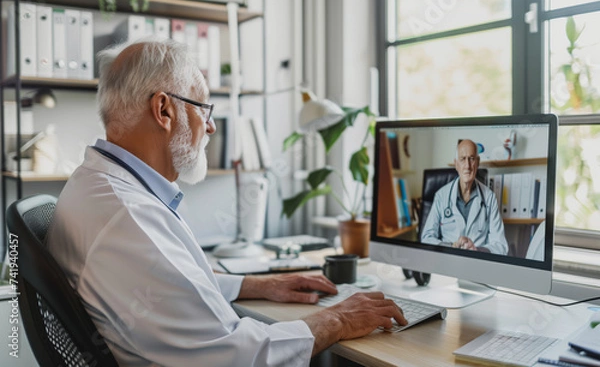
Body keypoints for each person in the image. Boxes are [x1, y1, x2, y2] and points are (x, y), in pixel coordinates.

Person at [46, 38, 407, 367]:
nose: (211, 127)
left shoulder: (99, 186)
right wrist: (338, 319)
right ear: (164, 111)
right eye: (204, 109)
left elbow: (167, 290)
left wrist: (257, 285)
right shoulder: (128, 218)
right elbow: (233, 357)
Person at [420, 139, 508, 255]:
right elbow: (426, 238)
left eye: (471, 159)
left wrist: (477, 250)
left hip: (478, 261)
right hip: (448, 259)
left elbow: (501, 246)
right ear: (456, 164)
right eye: (462, 159)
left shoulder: (489, 198)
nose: (467, 166)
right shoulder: (442, 196)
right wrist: (451, 246)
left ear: (477, 162)